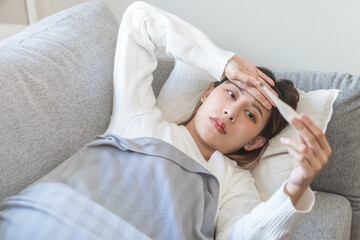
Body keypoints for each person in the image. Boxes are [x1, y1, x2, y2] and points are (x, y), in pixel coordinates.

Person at [0, 1, 331, 239]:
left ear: (255, 141)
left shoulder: (232, 183)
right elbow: (138, 19)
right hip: (44, 217)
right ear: (206, 92)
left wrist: (296, 185)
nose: (231, 112)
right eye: (231, 93)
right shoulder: (139, 118)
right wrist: (224, 62)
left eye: (250, 114)